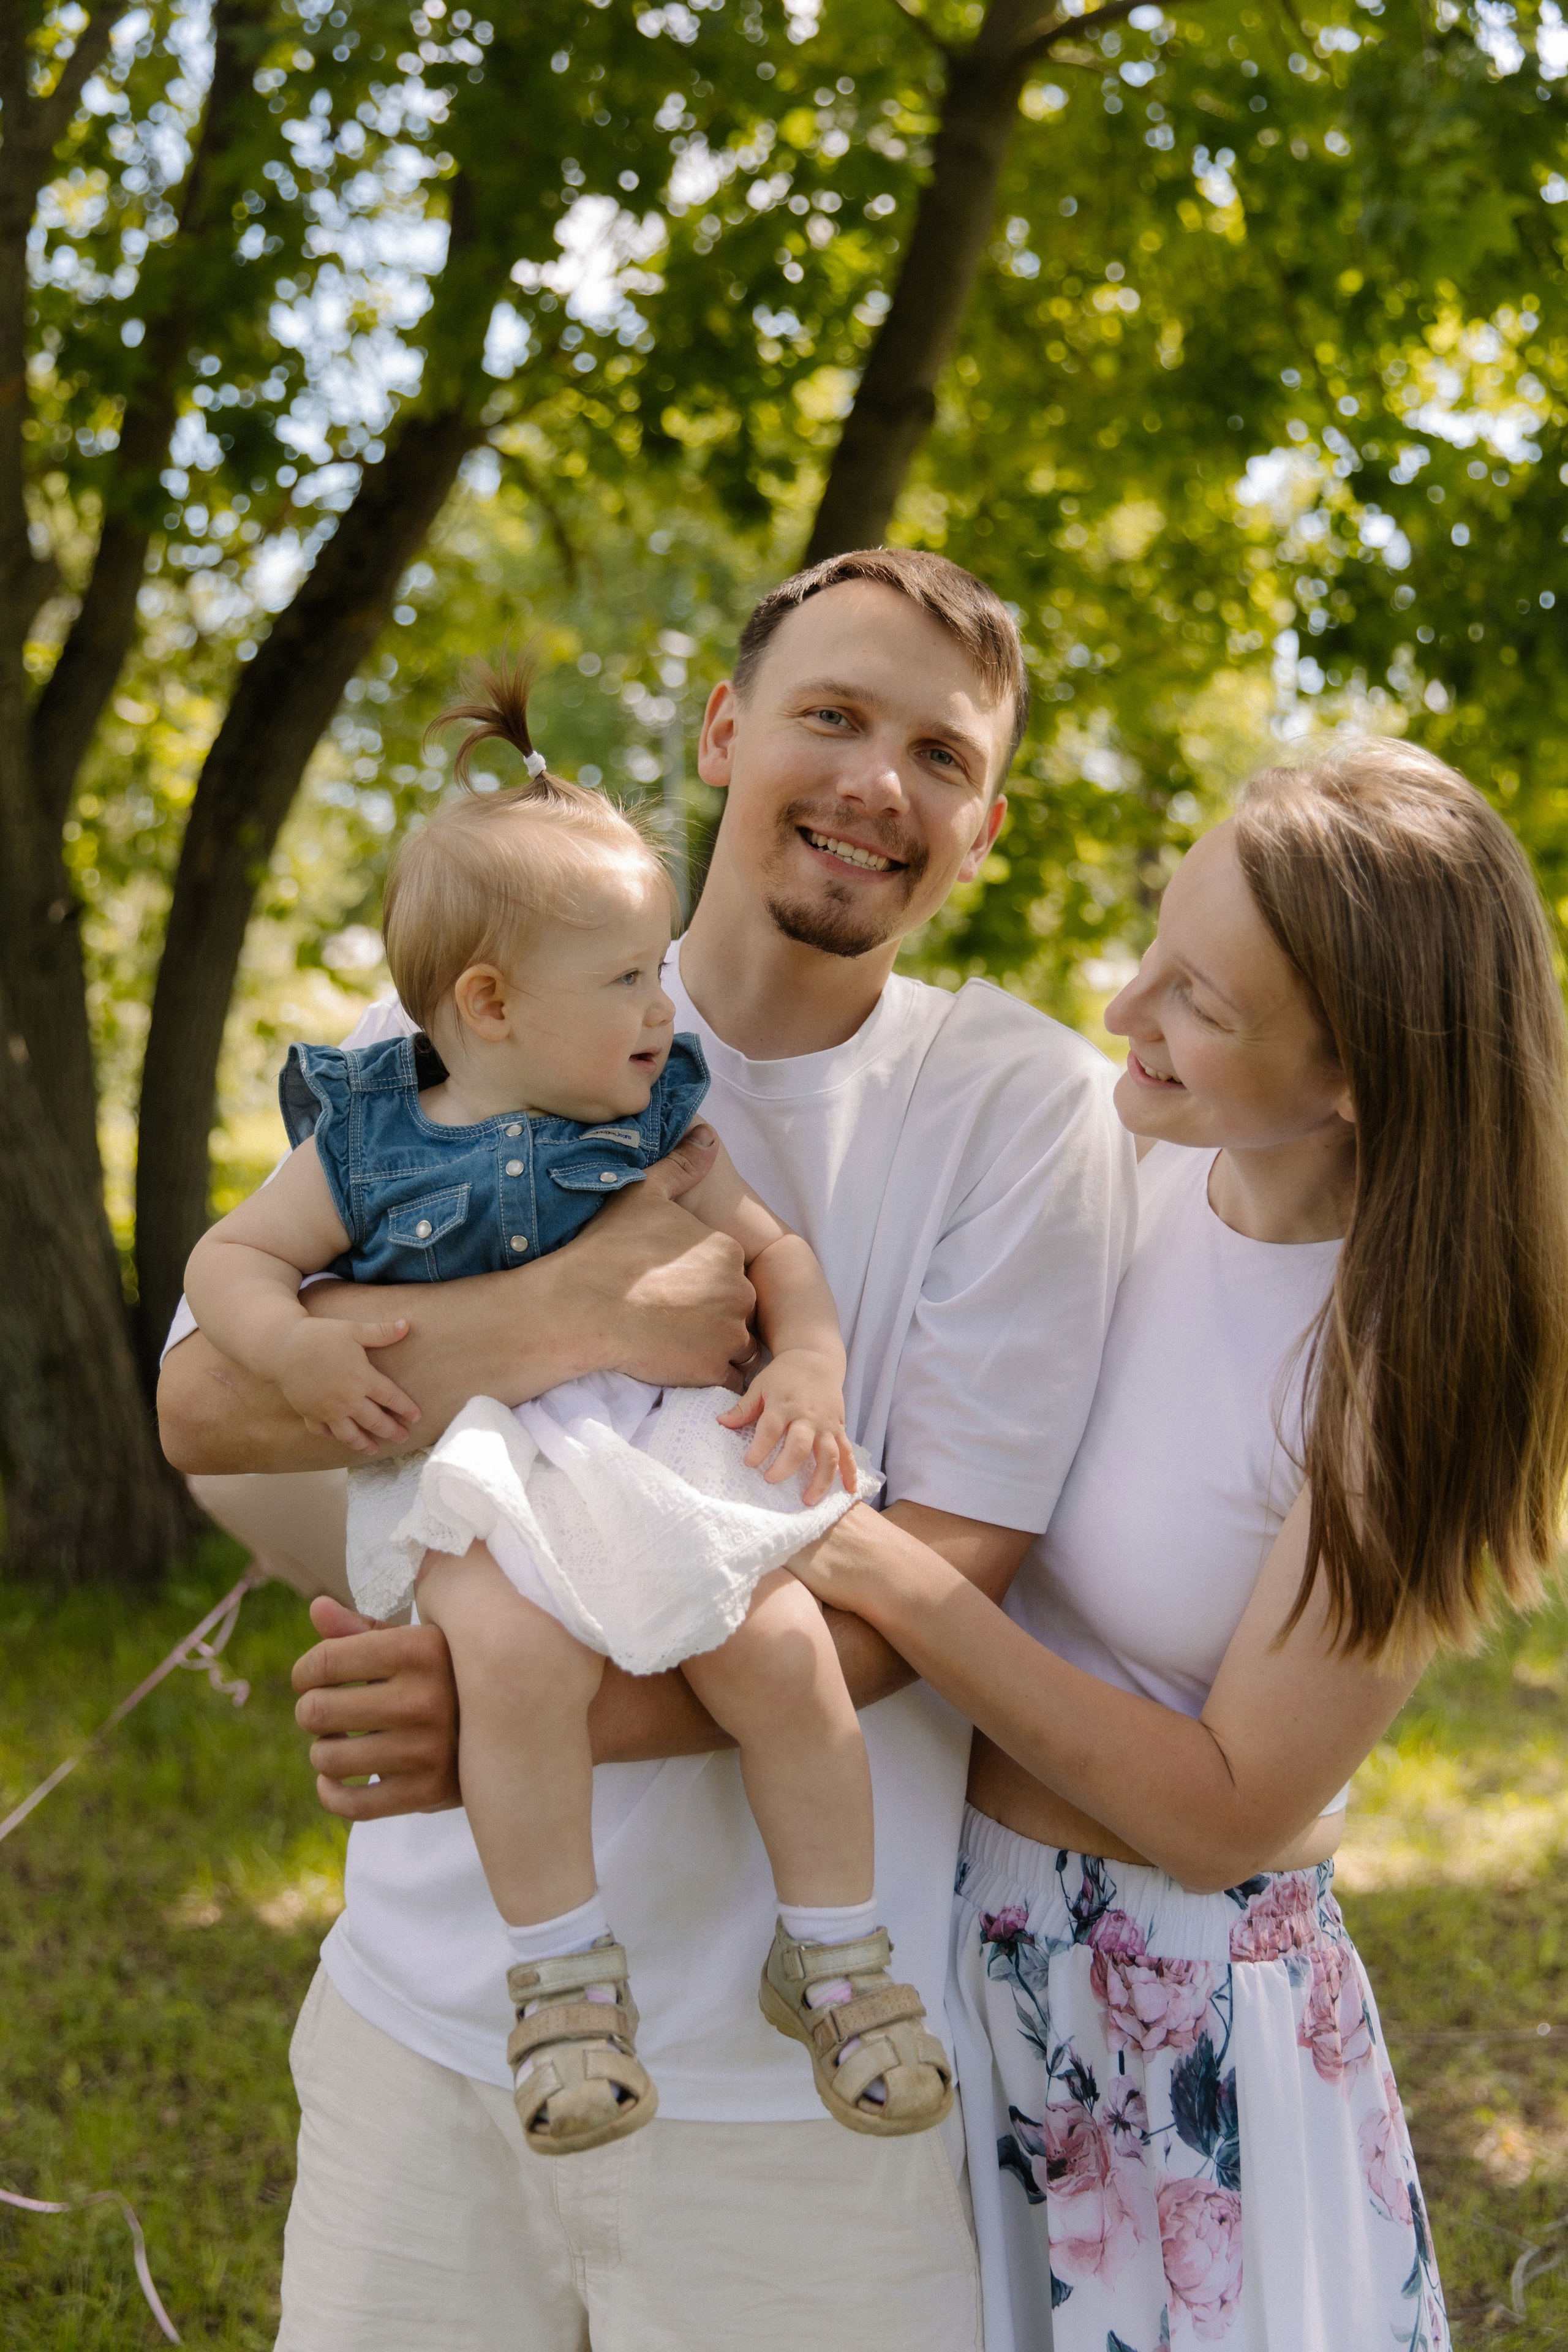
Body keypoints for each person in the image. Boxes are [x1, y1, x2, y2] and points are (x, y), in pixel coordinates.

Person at [158, 548, 1138, 2351]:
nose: (874, 784)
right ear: (723, 732)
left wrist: (504, 1708)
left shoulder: (1021, 1110)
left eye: (939, 754)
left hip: (798, 2099)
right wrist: (594, 1321)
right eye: (832, 716)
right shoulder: (474, 1012)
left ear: (985, 826)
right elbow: (210, 1400)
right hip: (430, 2029)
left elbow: (954, 1581)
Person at [788, 741, 1568, 2350]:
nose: (1128, 1015)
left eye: (1200, 1002)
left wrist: (884, 1576)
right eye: (1155, 946)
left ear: (1356, 1071)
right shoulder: (1106, 1164)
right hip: (935, 1933)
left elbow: (1231, 1813)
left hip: (1163, 2016)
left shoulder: (1403, 1363)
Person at [183, 666, 952, 2155]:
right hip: (475, 1462)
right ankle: (563, 1989)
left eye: (658, 972)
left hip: (654, 1446)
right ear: (490, 1004)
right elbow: (229, 1262)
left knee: (781, 1645)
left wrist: (804, 1365)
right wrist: (292, 1351)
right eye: (626, 983)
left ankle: (838, 1957)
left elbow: (774, 1252)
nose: (666, 1009)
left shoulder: (660, 1122)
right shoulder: (367, 1133)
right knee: (517, 1669)